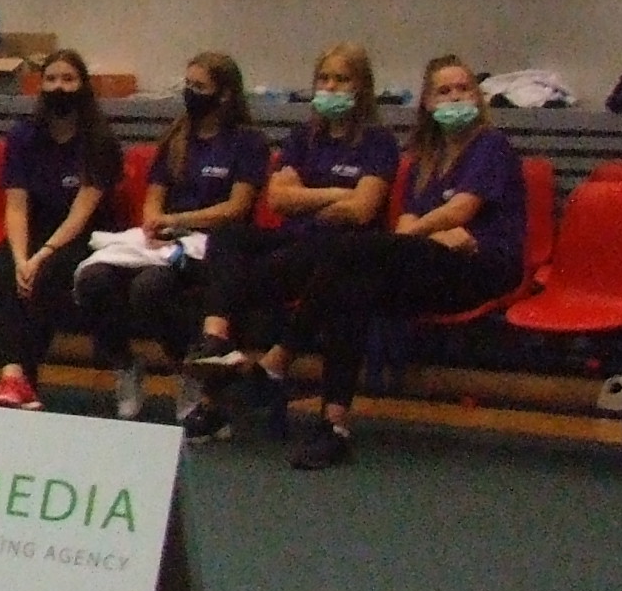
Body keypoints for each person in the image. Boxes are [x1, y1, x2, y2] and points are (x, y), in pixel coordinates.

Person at [251, 57, 531, 472]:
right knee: (350, 286)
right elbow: (408, 221)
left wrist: (417, 235)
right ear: (428, 104)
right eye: (444, 91)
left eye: (464, 89)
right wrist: (422, 236)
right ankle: (334, 425)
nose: (456, 97)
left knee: (351, 253)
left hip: (483, 265)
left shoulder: (492, 146)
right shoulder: (425, 160)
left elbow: (460, 210)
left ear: (477, 96)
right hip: (433, 260)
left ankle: (280, 358)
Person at [181, 43, 395, 442]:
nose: (331, 87)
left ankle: (228, 394)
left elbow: (362, 210)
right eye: (324, 79)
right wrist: (338, 193)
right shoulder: (303, 138)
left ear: (361, 87)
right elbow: (278, 200)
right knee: (228, 237)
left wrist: (308, 196)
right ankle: (215, 341)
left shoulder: (377, 141)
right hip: (294, 243)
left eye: (342, 79)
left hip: (340, 256)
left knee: (242, 281)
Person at [75, 51, 268, 425]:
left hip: (213, 246)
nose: (191, 92)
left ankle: (188, 369)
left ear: (225, 94)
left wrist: (177, 221)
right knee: (93, 279)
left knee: (150, 288)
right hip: (164, 239)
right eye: (188, 84)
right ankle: (124, 363)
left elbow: (237, 207)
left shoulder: (247, 142)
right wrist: (155, 224)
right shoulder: (176, 139)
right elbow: (154, 199)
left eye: (200, 86)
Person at [0, 50, 122, 410]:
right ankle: (13, 376)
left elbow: (80, 214)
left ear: (83, 86)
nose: (59, 87)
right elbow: (16, 206)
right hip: (35, 227)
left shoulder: (100, 141)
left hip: (83, 235)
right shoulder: (24, 136)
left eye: (68, 79)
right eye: (51, 79)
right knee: (4, 270)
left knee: (45, 274)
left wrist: (40, 257)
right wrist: (21, 258)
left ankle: (21, 380)